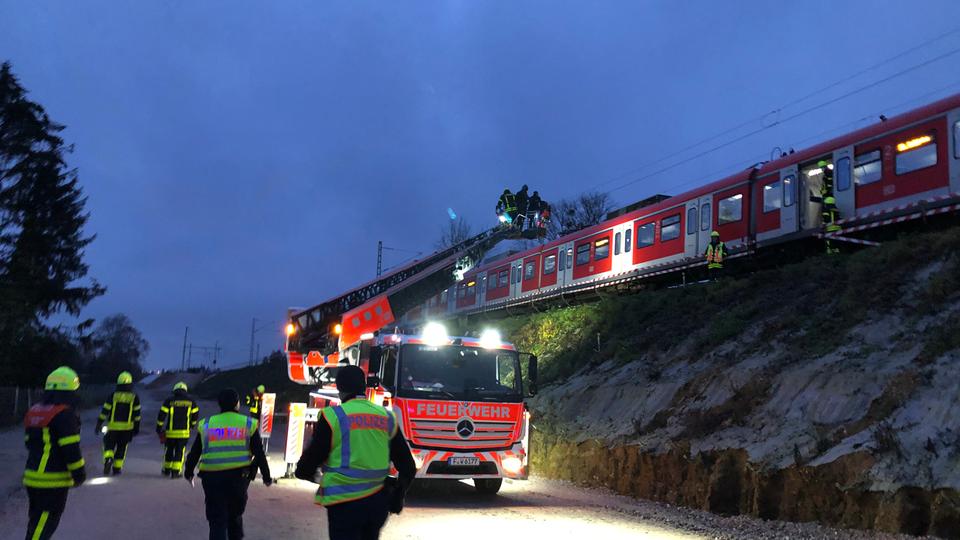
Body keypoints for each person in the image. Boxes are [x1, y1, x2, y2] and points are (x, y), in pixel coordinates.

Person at [295, 365, 416, 540]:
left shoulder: (333, 417)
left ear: (339, 388)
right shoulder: (386, 417)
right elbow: (408, 466)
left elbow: (311, 460)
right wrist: (399, 495)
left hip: (344, 505)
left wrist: (304, 472)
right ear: (364, 387)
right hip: (377, 504)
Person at [184, 388, 272, 540]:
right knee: (235, 517)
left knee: (217, 520)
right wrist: (266, 476)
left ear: (219, 404)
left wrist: (189, 471)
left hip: (212, 479)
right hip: (238, 479)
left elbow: (195, 451)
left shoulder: (207, 424)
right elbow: (259, 453)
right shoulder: (247, 423)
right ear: (237, 404)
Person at [23, 366, 86, 540]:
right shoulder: (65, 414)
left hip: (32, 475)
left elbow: (28, 443)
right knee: (45, 524)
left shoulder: (34, 410)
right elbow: (71, 449)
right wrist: (79, 474)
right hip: (52, 480)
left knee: (37, 522)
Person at [96, 371, 141, 476]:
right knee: (121, 448)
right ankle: (116, 469)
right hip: (127, 429)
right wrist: (136, 428)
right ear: (130, 384)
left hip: (112, 428)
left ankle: (108, 459)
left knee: (108, 445)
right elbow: (137, 415)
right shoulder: (134, 397)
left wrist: (99, 423)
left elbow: (105, 411)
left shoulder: (113, 396)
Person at [156, 381, 199, 478]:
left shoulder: (169, 401)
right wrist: (192, 425)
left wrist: (159, 427)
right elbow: (195, 415)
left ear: (175, 390)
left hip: (170, 432)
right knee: (180, 451)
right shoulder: (191, 402)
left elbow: (161, 415)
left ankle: (166, 470)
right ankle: (175, 472)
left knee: (169, 450)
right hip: (183, 433)